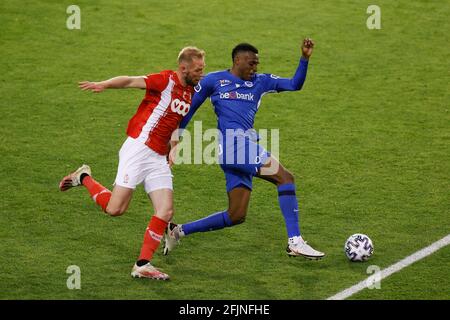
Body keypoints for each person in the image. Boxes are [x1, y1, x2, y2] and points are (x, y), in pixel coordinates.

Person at [164, 39, 325, 260]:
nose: (255, 68)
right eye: (251, 63)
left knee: (236, 215)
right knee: (285, 178)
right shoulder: (214, 80)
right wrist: (175, 140)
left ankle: (177, 231)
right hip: (233, 145)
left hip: (238, 149)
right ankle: (295, 242)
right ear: (237, 60)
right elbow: (188, 110)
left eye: (257, 64)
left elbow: (295, 84)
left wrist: (304, 58)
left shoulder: (261, 81)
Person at [59, 47, 206, 280]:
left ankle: (142, 264)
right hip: (139, 149)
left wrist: (174, 147)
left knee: (166, 210)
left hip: (158, 157)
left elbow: (175, 121)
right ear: (183, 67)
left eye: (203, 69)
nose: (201, 74)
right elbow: (130, 81)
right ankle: (83, 177)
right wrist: (104, 84)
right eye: (198, 70)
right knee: (115, 209)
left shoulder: (190, 90)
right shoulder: (164, 80)